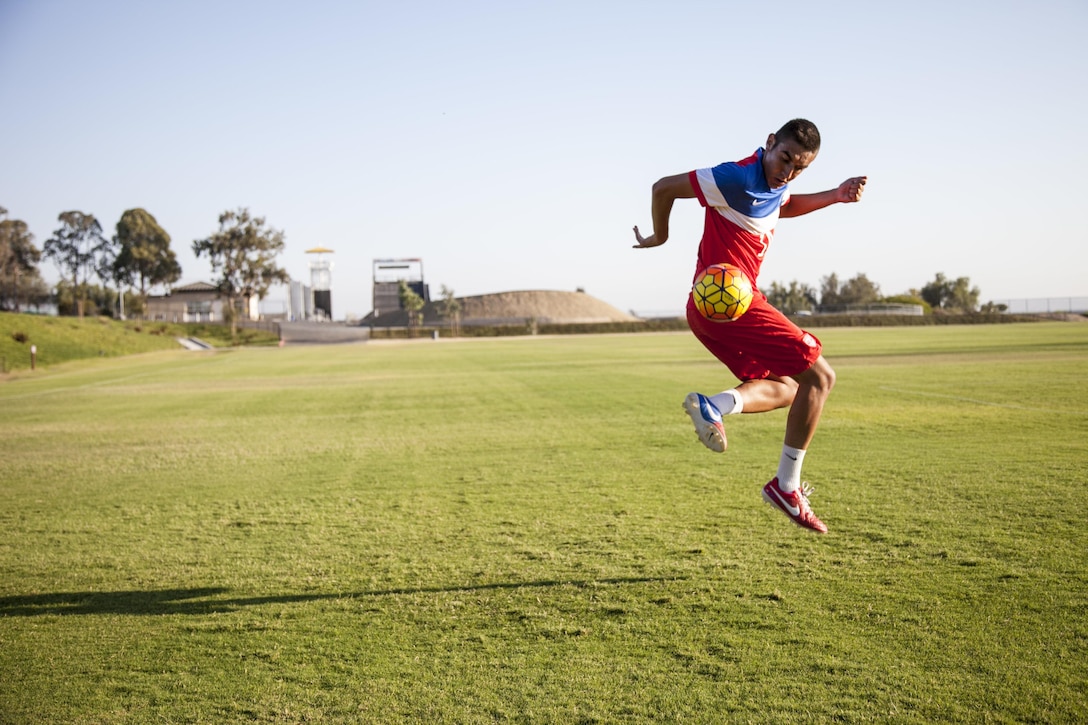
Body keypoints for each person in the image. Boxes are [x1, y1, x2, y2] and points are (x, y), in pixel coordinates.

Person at [632, 118, 866, 533]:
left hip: (710, 310)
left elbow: (784, 204)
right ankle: (786, 487)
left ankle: (714, 407)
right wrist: (661, 236)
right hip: (732, 304)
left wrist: (834, 195)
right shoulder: (735, 177)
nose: (788, 171)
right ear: (770, 143)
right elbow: (662, 188)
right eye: (785, 158)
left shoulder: (772, 185)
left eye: (799, 168)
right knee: (821, 378)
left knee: (789, 388)